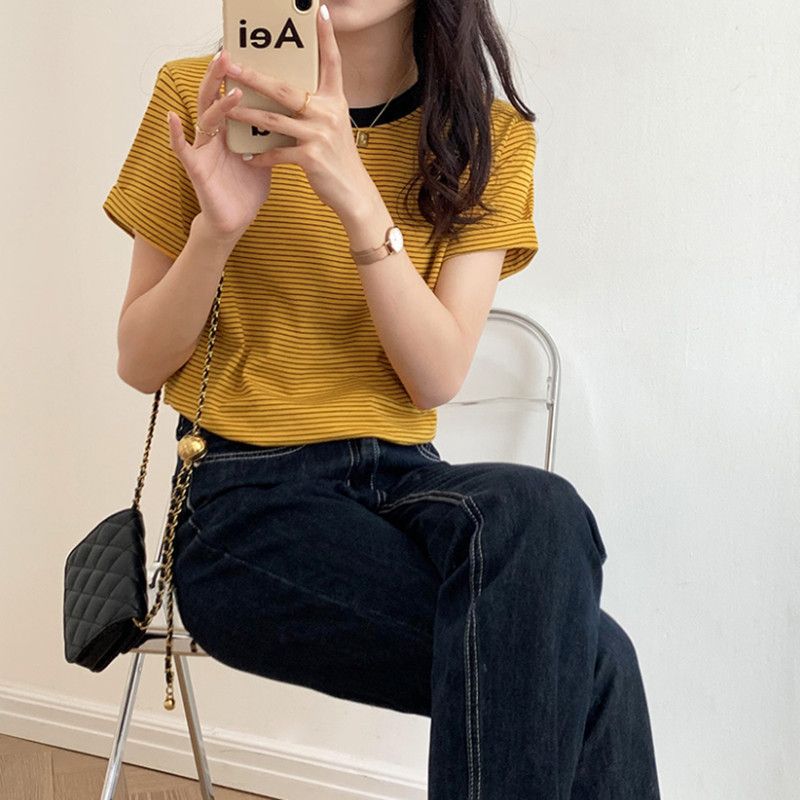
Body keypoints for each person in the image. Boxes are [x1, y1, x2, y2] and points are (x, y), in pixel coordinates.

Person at [103, 1, 661, 797]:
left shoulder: (485, 138)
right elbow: (139, 361)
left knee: (540, 508)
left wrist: (358, 201)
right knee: (597, 660)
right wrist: (216, 231)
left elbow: (435, 378)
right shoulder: (204, 95)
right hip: (244, 508)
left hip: (403, 487)